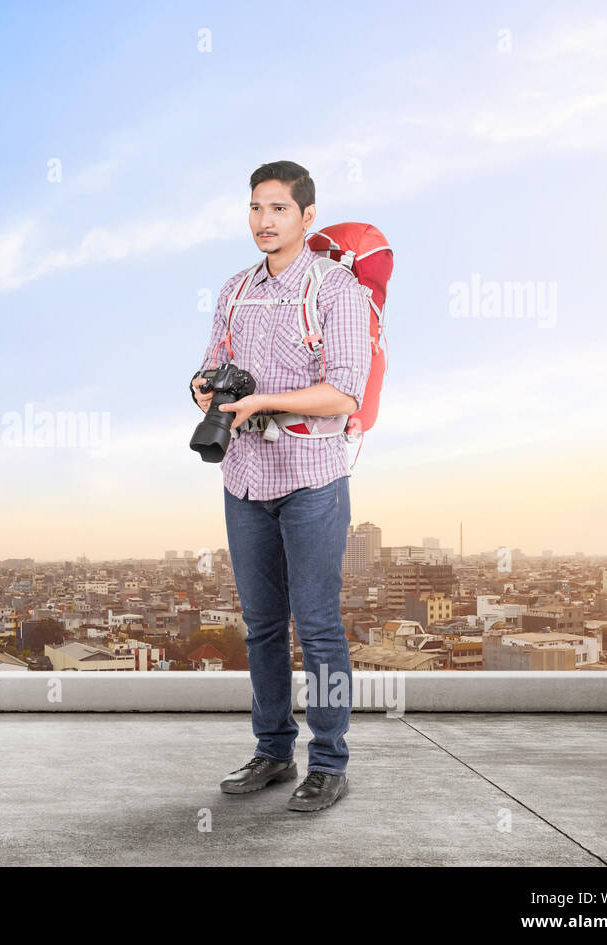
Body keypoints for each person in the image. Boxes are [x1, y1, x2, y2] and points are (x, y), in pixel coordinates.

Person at [191, 161, 371, 811]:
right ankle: (272, 751)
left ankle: (328, 761)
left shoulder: (335, 290)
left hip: (311, 478)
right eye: (255, 208)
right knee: (261, 626)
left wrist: (264, 399)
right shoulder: (235, 290)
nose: (263, 221)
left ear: (307, 217)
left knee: (317, 624)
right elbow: (211, 366)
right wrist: (205, 389)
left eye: (278, 210)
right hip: (244, 477)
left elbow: (344, 392)